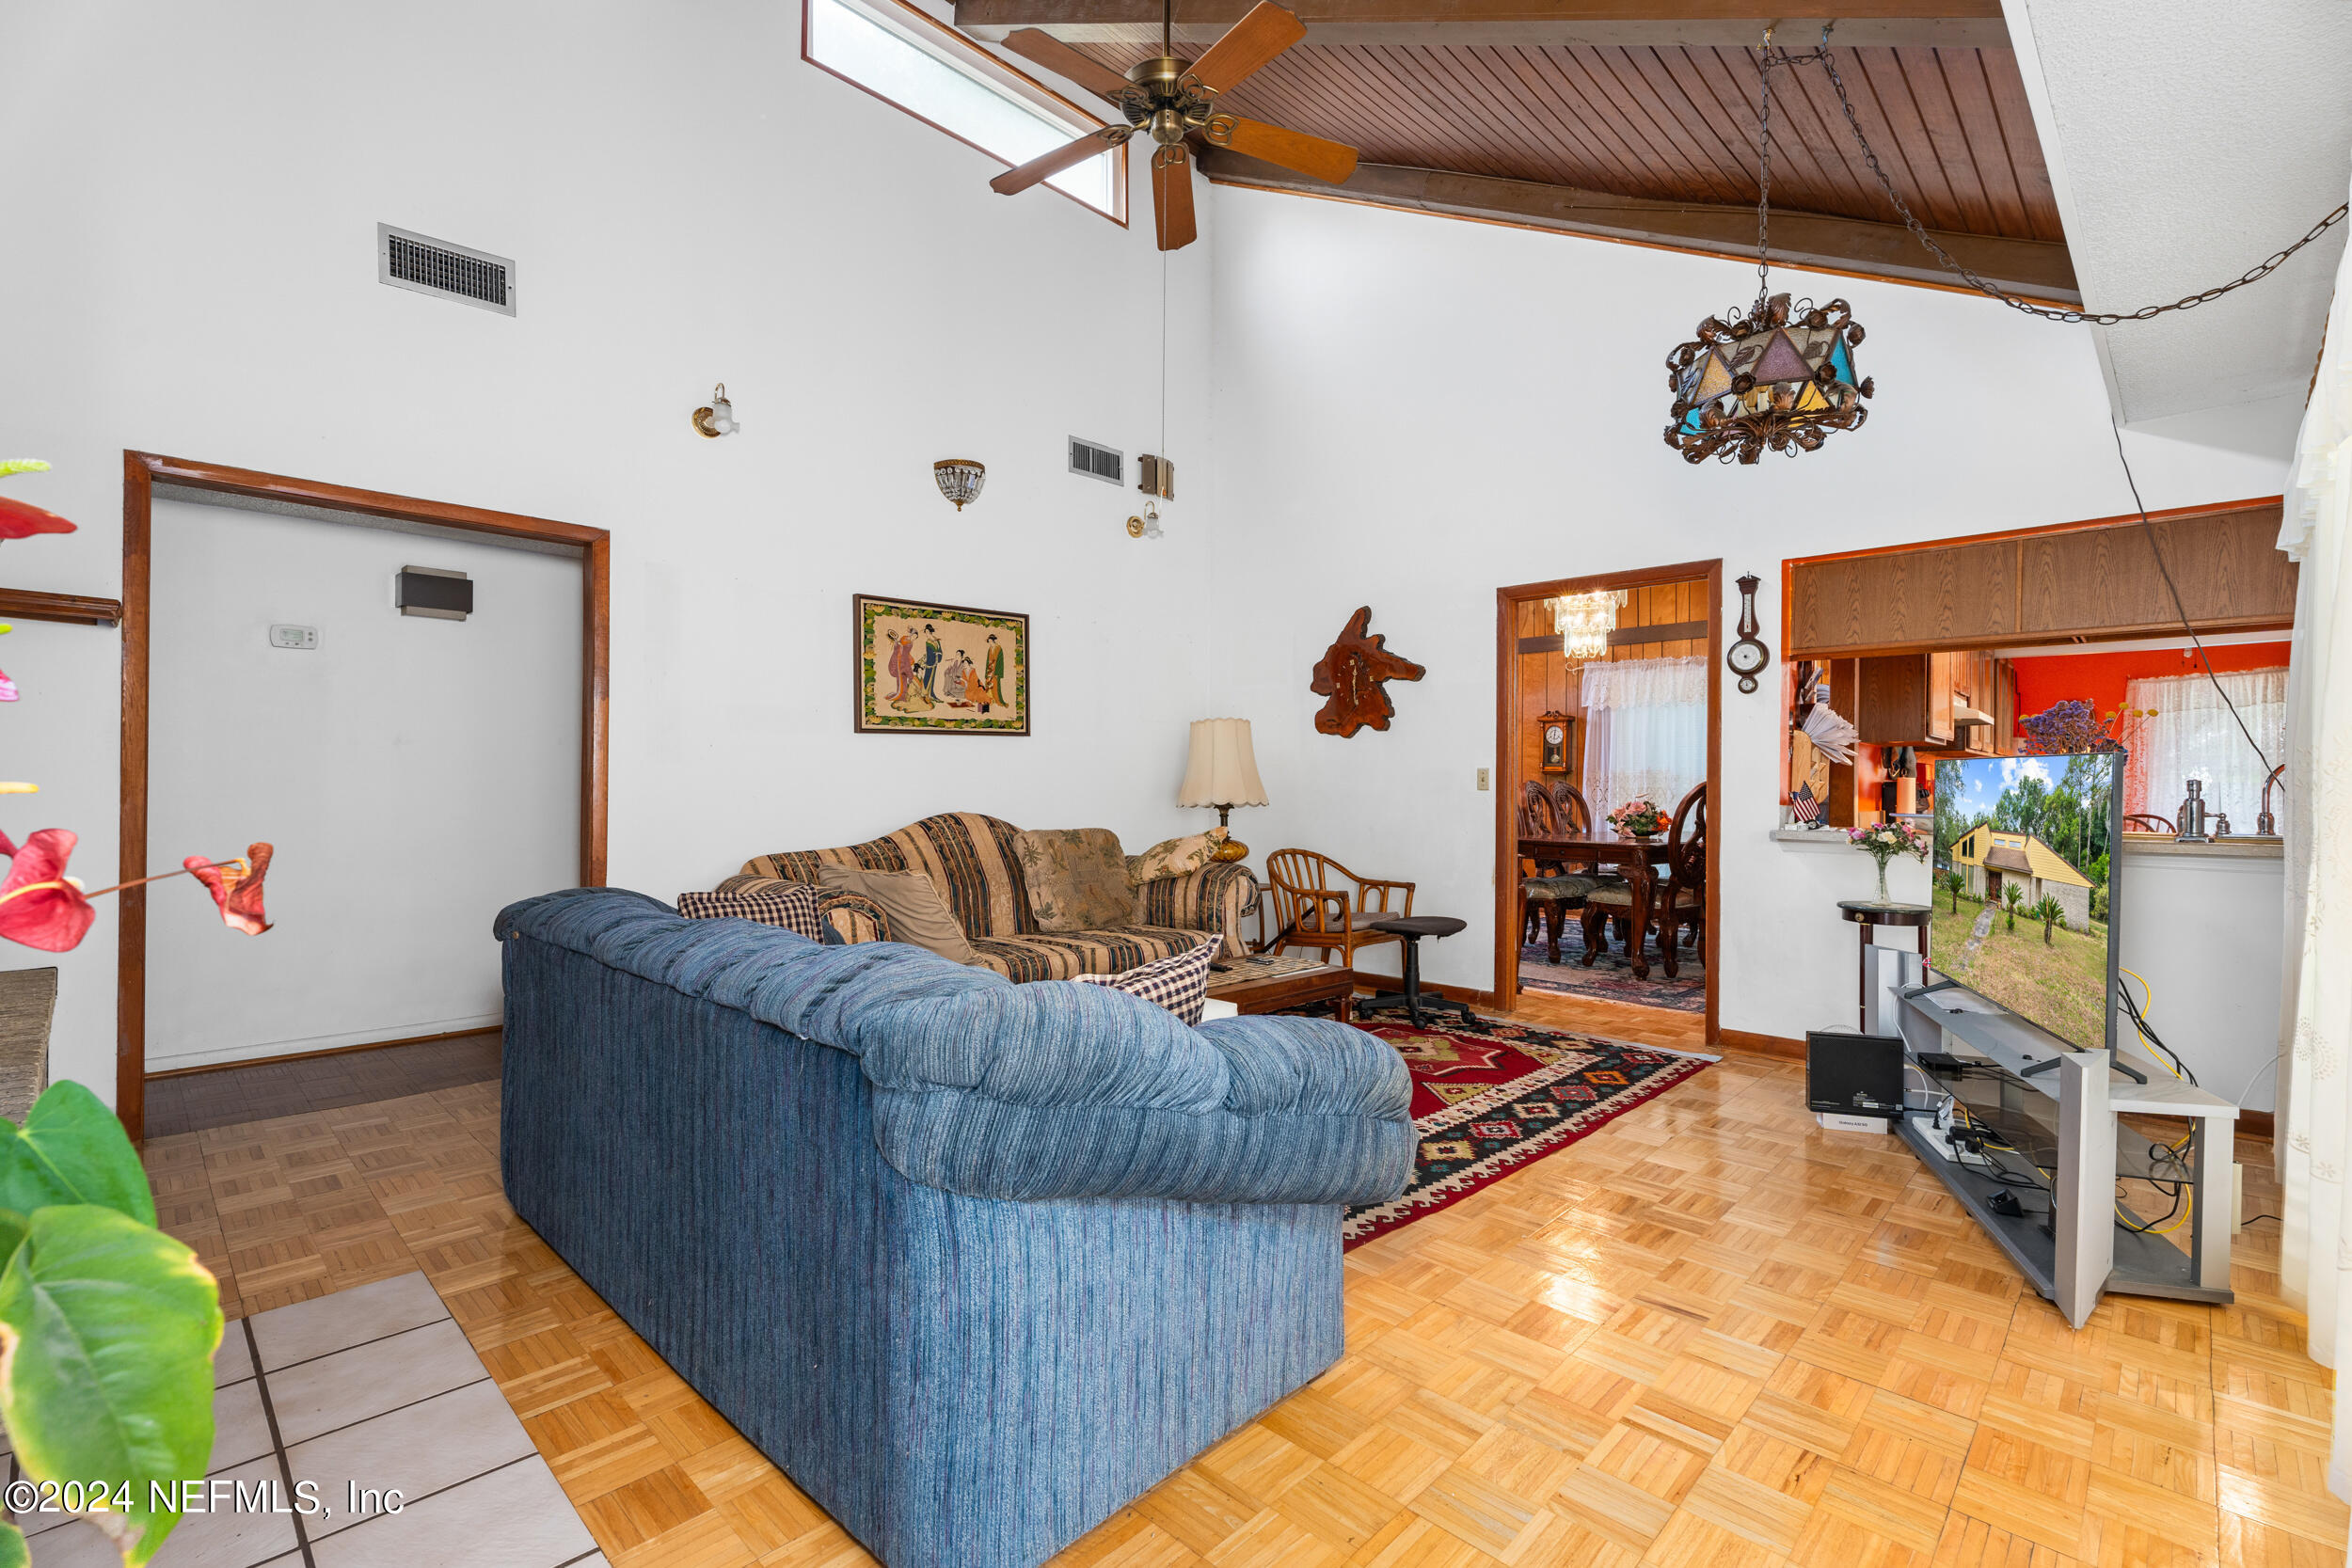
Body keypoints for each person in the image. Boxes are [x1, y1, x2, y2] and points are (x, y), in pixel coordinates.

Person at [974, 632, 1005, 713]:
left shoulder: (999, 648)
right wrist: (987, 672)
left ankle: (995, 699)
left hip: (996, 670)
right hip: (990, 669)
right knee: (988, 685)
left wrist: (998, 673)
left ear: (993, 641)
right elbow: (988, 661)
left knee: (995, 685)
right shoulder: (990, 649)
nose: (990, 643)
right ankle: (989, 699)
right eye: (989, 642)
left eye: (990, 641)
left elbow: (1000, 662)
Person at [920, 624, 944, 702]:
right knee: (927, 677)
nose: (926, 634)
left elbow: (940, 650)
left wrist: (938, 656)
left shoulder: (936, 640)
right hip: (930, 663)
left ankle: (931, 694)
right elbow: (929, 653)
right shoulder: (928, 642)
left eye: (927, 632)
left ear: (930, 631)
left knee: (932, 679)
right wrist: (932, 659)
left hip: (935, 662)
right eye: (925, 632)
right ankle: (924, 694)